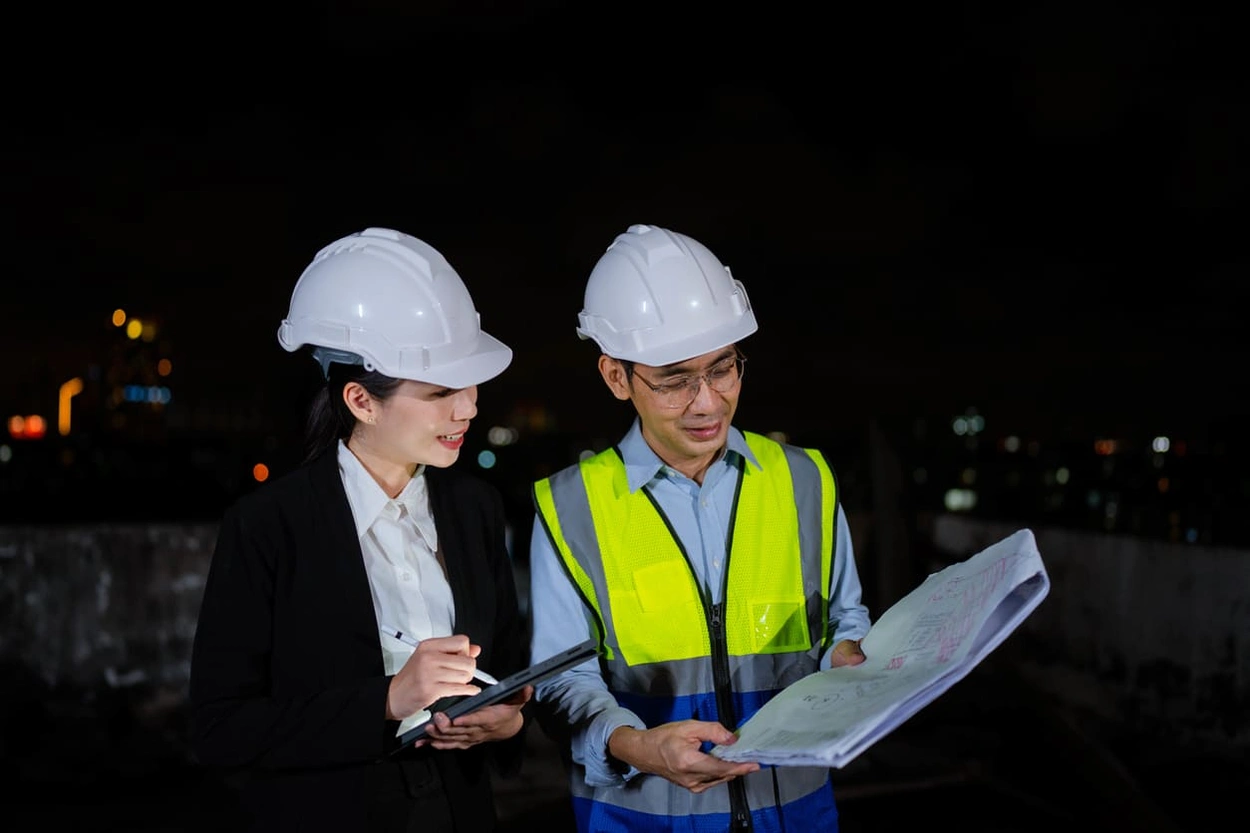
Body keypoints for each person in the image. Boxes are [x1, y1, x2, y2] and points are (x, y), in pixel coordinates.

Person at [527, 223, 873, 832]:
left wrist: (850, 656)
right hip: (641, 822)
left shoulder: (804, 481)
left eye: (723, 369)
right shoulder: (571, 507)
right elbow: (561, 684)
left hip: (796, 814)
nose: (708, 402)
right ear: (616, 377)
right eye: (675, 380)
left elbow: (843, 621)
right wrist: (636, 746)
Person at [189, 227, 533, 832]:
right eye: (440, 391)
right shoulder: (269, 527)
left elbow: (506, 665)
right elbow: (221, 730)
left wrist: (506, 721)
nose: (469, 407)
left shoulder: (475, 508)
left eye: (469, 384)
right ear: (361, 400)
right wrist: (386, 700)